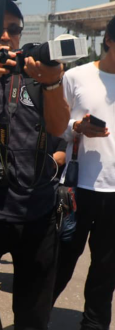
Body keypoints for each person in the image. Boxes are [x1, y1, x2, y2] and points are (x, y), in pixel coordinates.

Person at [0, 0, 70, 330]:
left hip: (38, 212)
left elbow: (58, 127)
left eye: (14, 30)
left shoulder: (37, 80)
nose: (5, 37)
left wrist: (51, 82)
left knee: (33, 315)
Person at [52, 16, 115, 330]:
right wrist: (76, 127)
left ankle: (94, 325)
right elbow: (53, 126)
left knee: (106, 272)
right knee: (61, 260)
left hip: (114, 192)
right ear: (107, 40)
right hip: (79, 187)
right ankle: (33, 315)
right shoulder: (76, 76)